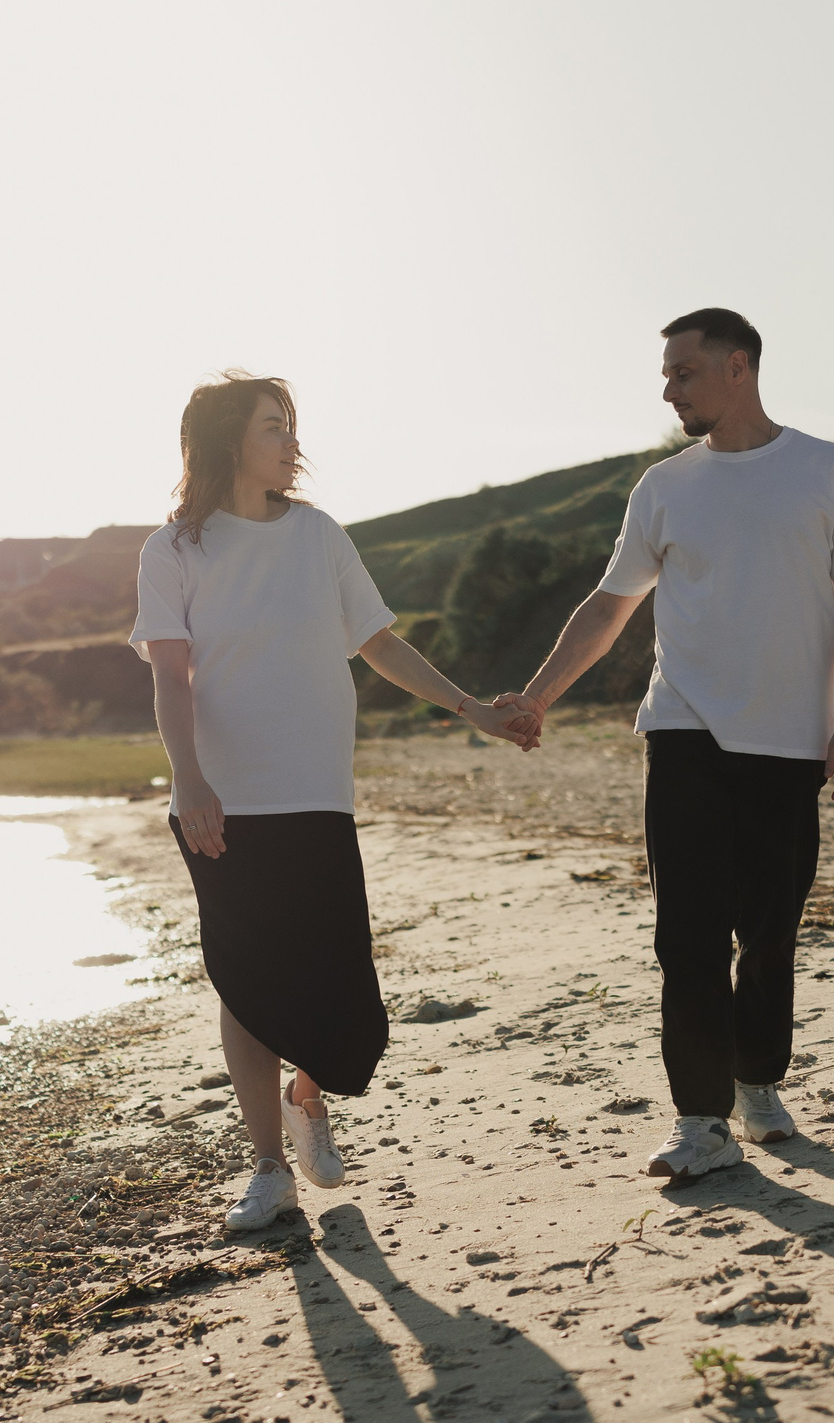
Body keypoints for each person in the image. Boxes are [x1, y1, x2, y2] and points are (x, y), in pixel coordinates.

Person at [498, 309, 834, 1184]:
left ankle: (757, 1079)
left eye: (683, 371)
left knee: (767, 933)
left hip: (790, 740)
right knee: (685, 936)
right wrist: (537, 696)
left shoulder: (829, 472)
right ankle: (699, 1118)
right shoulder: (664, 486)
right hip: (681, 731)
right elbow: (610, 606)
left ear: (738, 366)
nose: (668, 387)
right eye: (666, 373)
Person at [134, 372, 537, 1231]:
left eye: (291, 426)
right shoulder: (173, 551)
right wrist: (189, 776)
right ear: (225, 442)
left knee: (340, 985)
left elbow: (379, 642)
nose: (291, 443)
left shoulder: (317, 536)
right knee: (245, 981)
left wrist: (471, 707)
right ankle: (267, 1168)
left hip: (315, 791)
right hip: (222, 798)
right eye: (272, 427)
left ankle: (307, 1092)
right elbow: (171, 676)